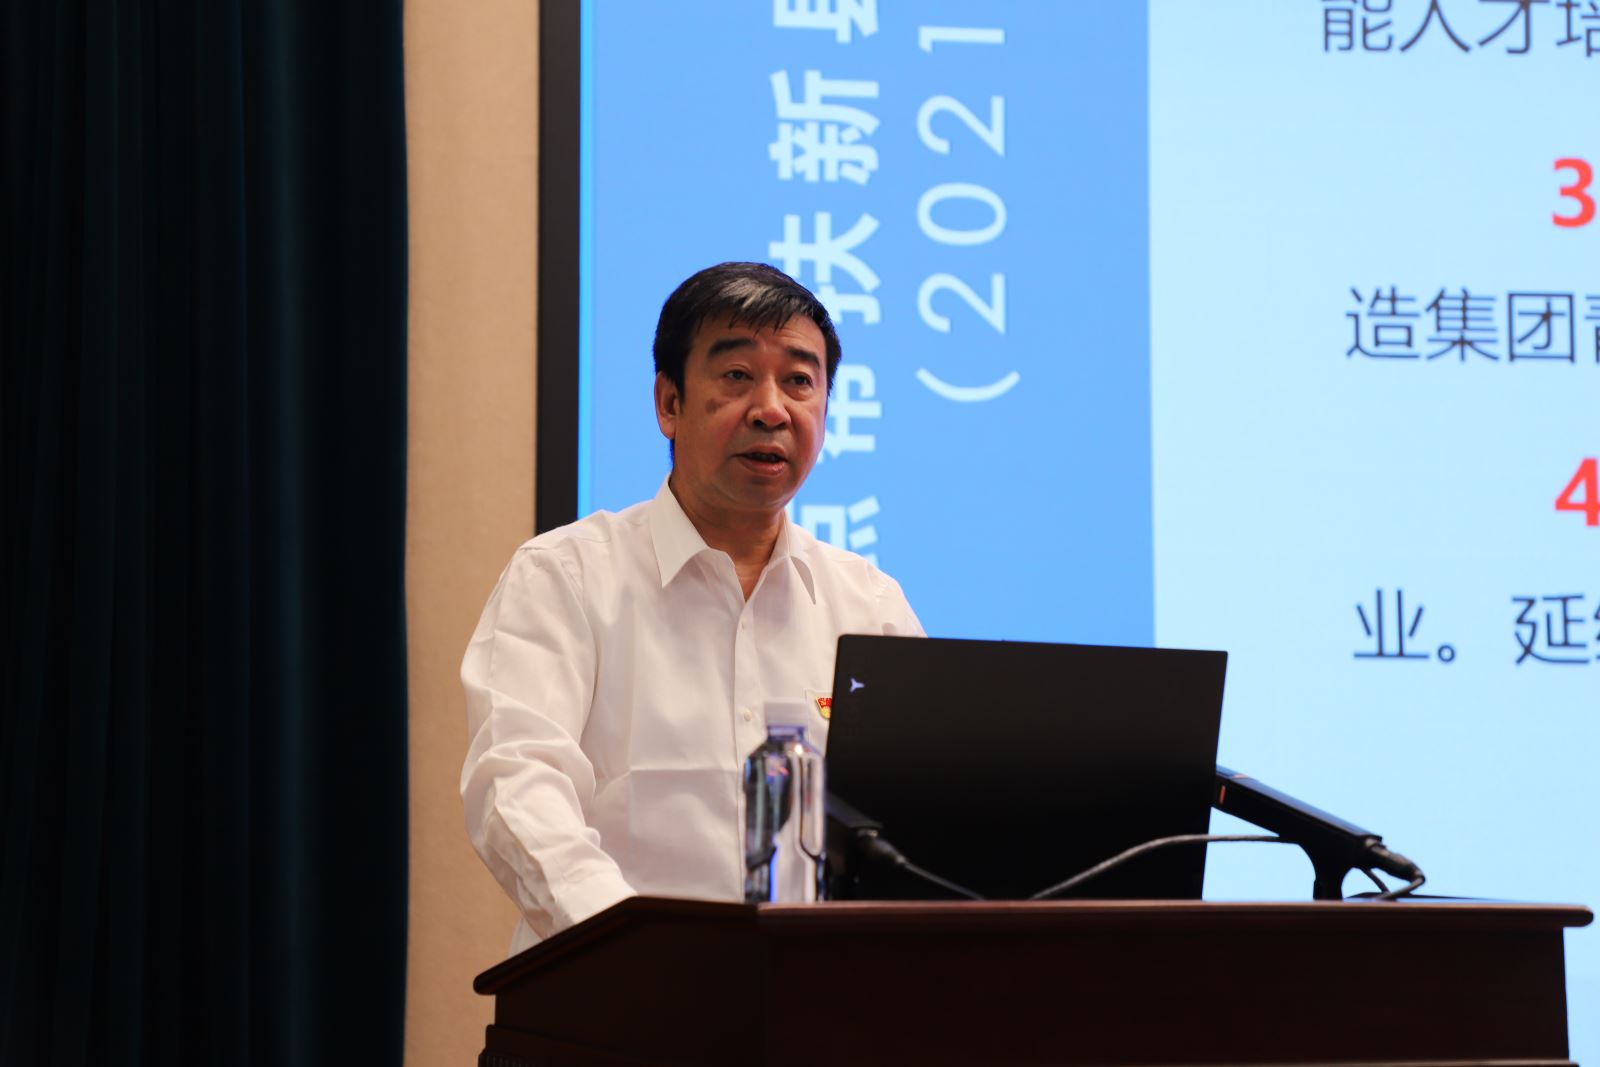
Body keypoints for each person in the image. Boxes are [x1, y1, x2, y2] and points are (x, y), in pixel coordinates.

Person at [460, 262, 922, 953]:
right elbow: (517, 788)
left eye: (799, 381)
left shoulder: (870, 605)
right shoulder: (565, 578)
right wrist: (638, 946)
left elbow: (913, 825)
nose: (771, 409)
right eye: (737, 375)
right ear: (669, 403)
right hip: (614, 988)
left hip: (816, 994)